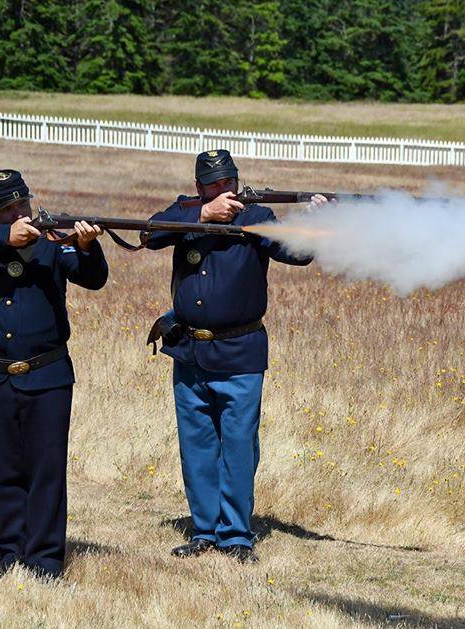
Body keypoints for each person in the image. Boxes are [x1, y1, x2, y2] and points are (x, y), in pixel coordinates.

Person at [145, 150, 325, 562]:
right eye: (214, 185)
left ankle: (237, 535)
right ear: (199, 189)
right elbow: (151, 234)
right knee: (197, 445)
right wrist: (205, 215)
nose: (223, 190)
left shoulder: (256, 216)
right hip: (190, 349)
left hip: (240, 349)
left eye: (228, 182)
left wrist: (314, 223)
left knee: (239, 446)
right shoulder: (186, 213)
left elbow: (297, 255)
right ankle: (204, 530)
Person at [0, 169, 107, 579]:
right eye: (8, 209)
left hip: (48, 376)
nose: (19, 213)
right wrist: (3, 238)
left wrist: (86, 246)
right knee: (4, 471)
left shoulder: (53, 242)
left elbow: (94, 279)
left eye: (23, 205)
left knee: (47, 473)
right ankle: (11, 558)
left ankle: (46, 563)